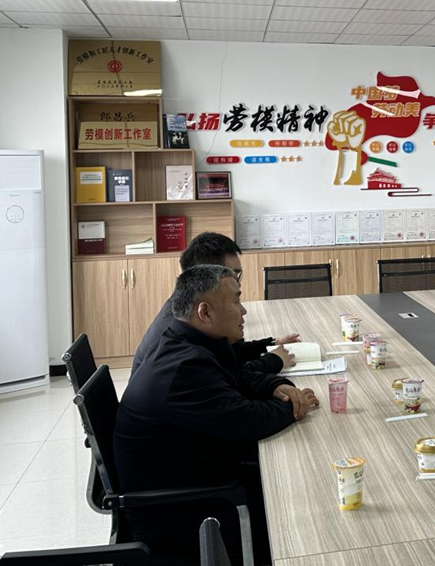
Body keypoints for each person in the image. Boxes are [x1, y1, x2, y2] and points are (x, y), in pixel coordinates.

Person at [115, 264, 319, 564]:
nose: (243, 311)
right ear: (205, 312)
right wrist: (293, 404)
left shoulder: (192, 340)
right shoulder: (183, 367)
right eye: (236, 301)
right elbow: (249, 421)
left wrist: (276, 386)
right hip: (181, 513)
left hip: (195, 475)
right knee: (296, 498)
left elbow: (237, 376)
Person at [131, 232, 300, 377]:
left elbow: (229, 352)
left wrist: (271, 343)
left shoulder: (188, 307)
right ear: (206, 275)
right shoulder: (182, 326)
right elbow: (228, 375)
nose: (237, 283)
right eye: (232, 274)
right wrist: (273, 361)